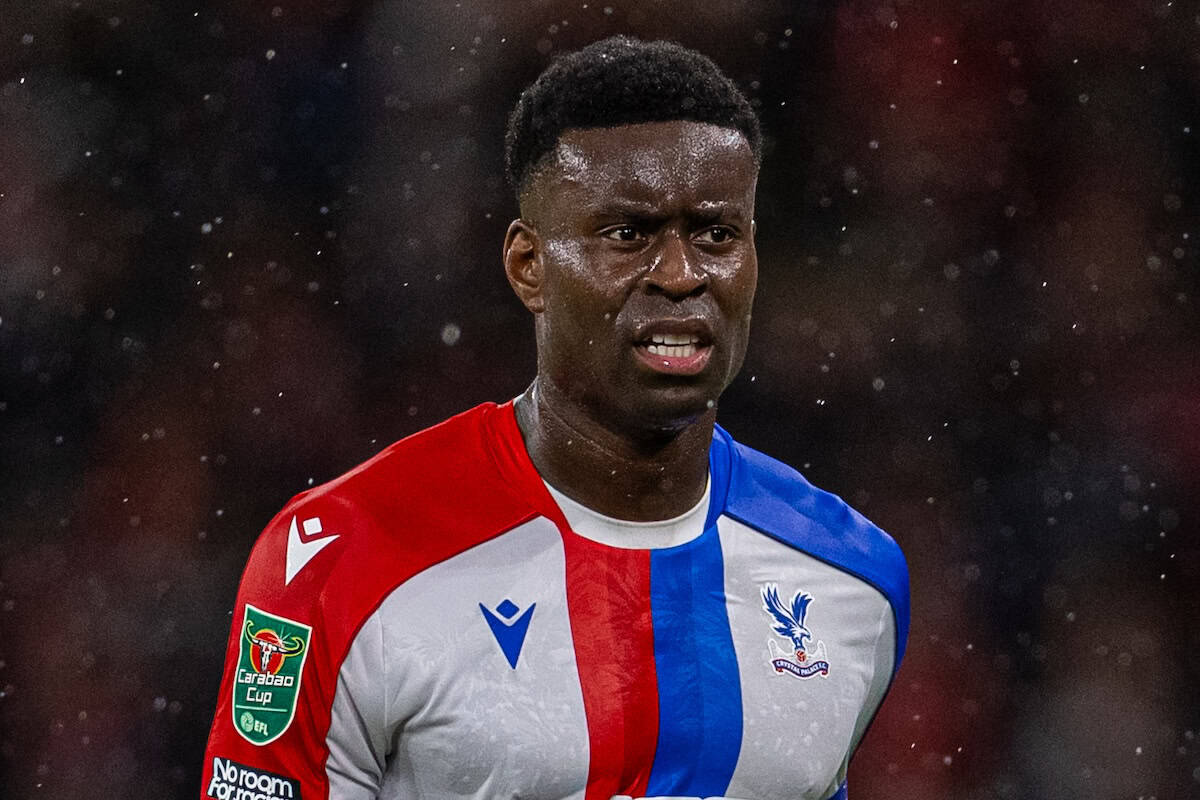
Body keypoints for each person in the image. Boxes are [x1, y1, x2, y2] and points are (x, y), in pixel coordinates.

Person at [200, 36, 908, 800]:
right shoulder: (338, 561)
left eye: (716, 234)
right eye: (627, 234)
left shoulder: (850, 578)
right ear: (528, 267)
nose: (680, 274)